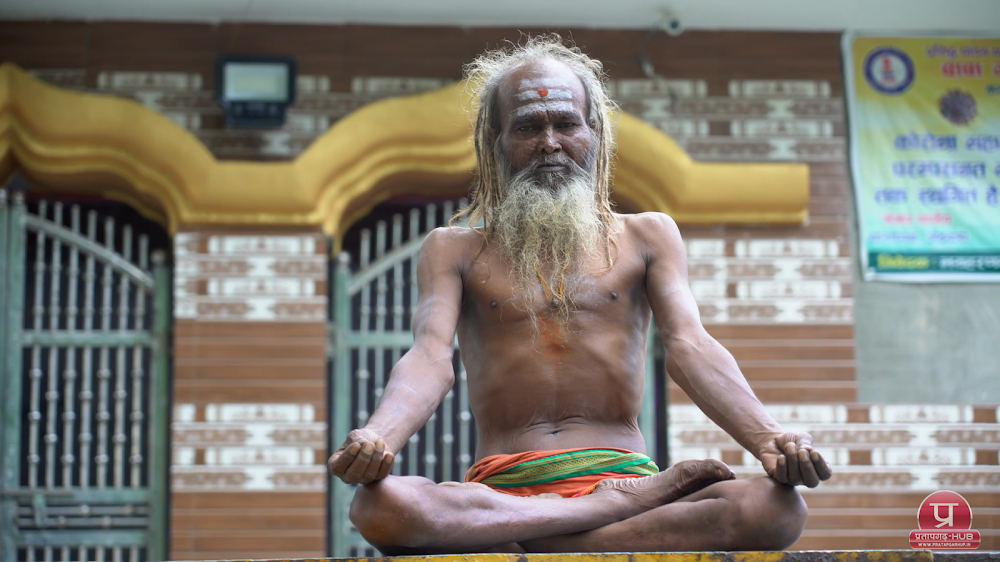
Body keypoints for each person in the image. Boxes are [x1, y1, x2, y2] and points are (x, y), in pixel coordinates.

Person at [328, 35, 832, 554]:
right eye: (528, 127)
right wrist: (379, 436)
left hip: (595, 481)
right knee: (378, 508)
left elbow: (690, 346)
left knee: (775, 509)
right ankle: (608, 512)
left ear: (594, 133)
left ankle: (540, 534)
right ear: (495, 140)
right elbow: (429, 356)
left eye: (566, 123)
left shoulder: (648, 235)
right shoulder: (453, 248)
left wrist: (768, 438)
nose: (550, 142)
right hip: (504, 489)